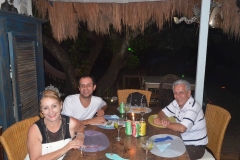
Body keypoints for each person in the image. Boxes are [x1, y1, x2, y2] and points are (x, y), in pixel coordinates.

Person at [153, 79, 208, 160]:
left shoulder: (193, 107)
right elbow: (162, 112)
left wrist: (162, 123)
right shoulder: (176, 103)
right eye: (175, 93)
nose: (178, 96)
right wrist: (164, 119)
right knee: (155, 145)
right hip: (181, 140)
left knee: (165, 154)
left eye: (181, 93)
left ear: (188, 93)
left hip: (194, 148)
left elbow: (182, 128)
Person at [25, 89, 85, 160]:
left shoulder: (70, 123)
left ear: (61, 105)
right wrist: (65, 149)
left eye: (54, 106)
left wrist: (80, 137)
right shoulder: (35, 130)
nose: (51, 111)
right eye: (46, 108)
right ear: (42, 111)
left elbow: (81, 127)